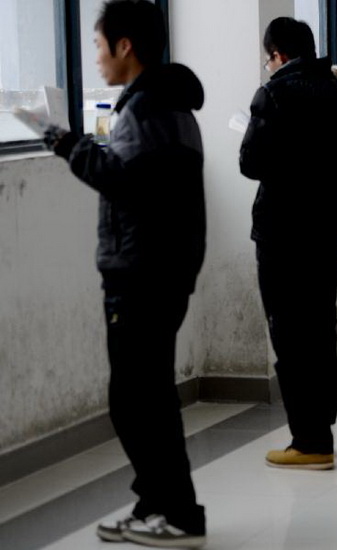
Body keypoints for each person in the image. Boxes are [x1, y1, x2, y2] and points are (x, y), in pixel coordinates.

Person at [43, 1, 207, 546]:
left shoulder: (146, 107)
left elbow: (125, 181)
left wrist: (66, 144)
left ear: (125, 46)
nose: (94, 57)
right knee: (142, 394)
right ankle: (154, 505)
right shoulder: (167, 101)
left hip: (143, 270)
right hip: (163, 266)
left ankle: (179, 514)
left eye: (97, 44)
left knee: (139, 398)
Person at [240, 18, 337, 469]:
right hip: (327, 229)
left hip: (280, 231)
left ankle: (308, 439)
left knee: (287, 331)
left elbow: (251, 163)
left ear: (276, 54)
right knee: (319, 329)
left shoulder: (274, 94)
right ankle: (322, 431)